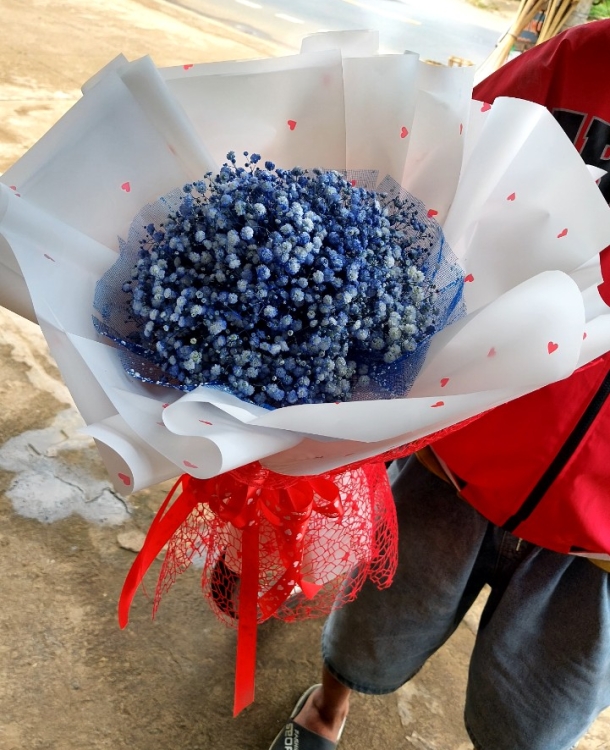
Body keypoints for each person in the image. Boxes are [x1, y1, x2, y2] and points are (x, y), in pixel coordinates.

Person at [268, 19, 610, 750]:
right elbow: (445, 168)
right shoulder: (587, 60)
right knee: (370, 627)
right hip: (457, 454)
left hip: (598, 543)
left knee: (534, 718)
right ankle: (327, 707)